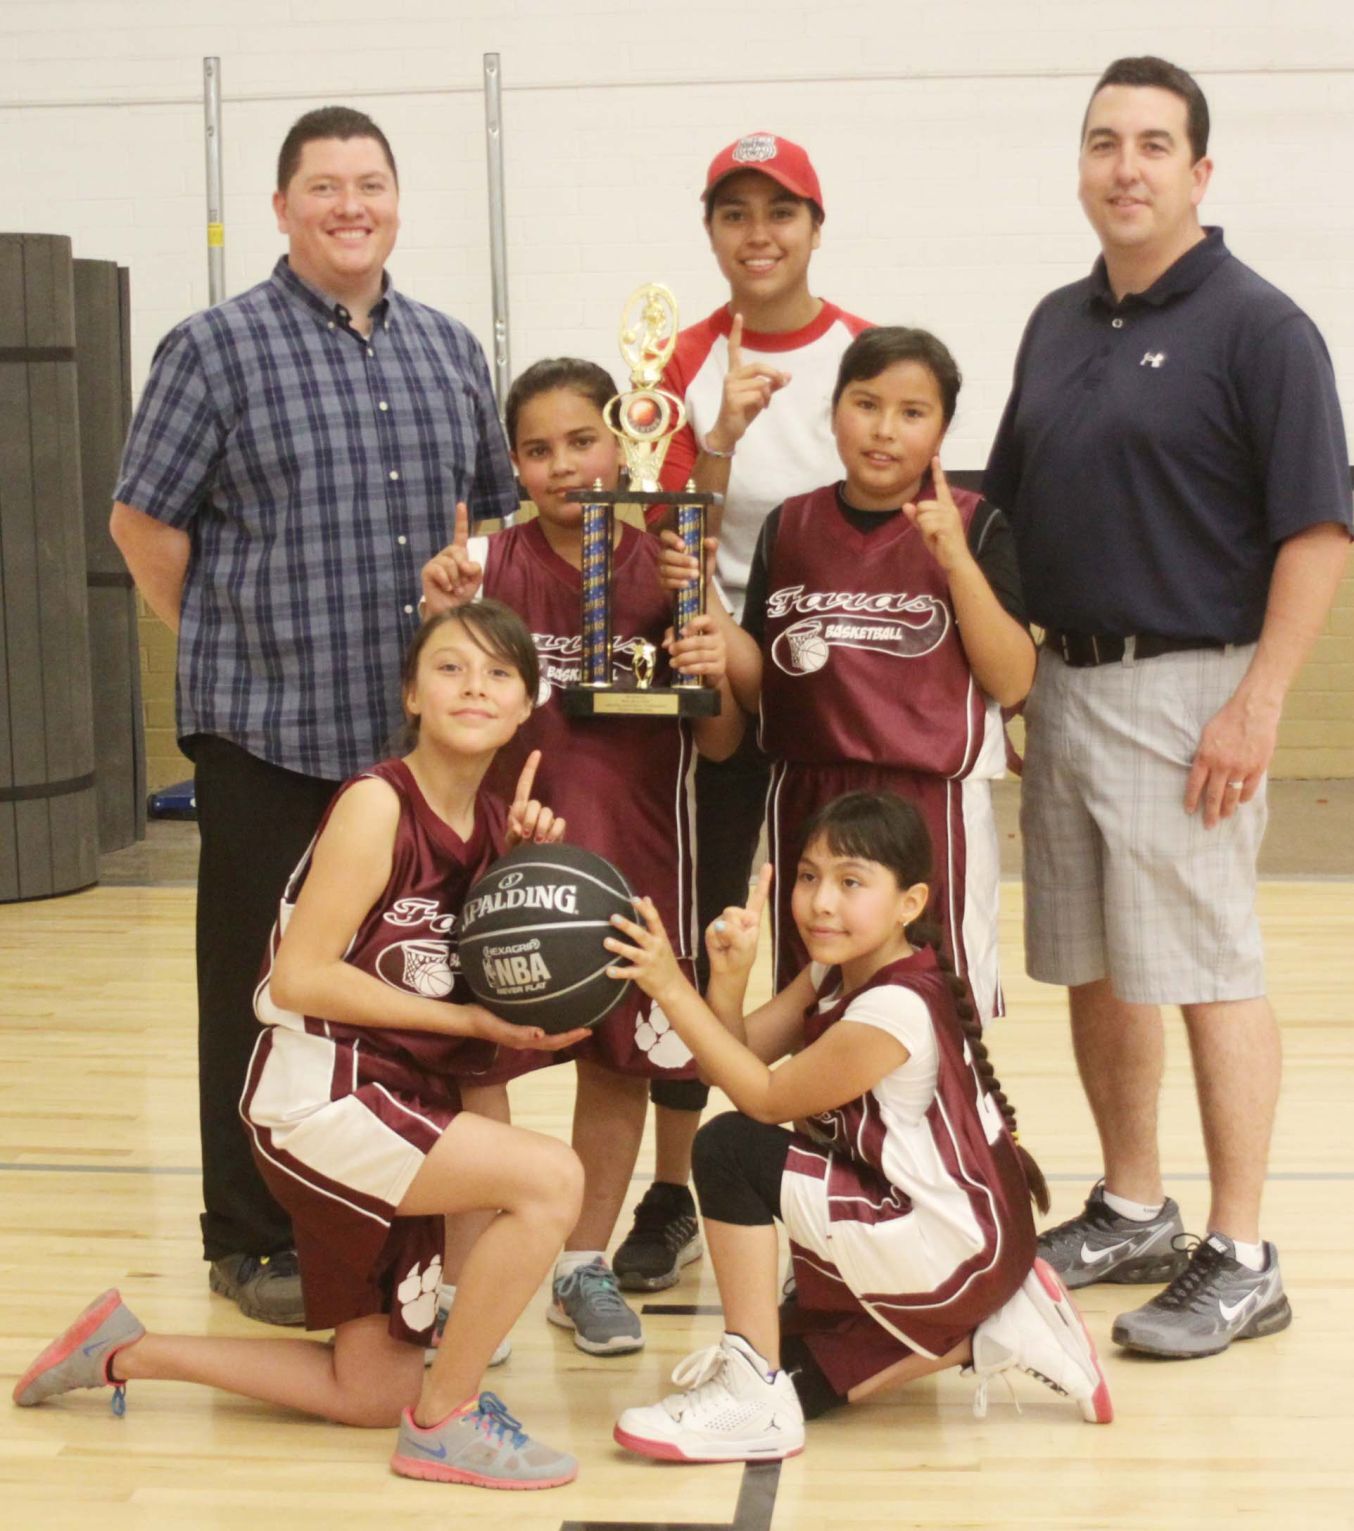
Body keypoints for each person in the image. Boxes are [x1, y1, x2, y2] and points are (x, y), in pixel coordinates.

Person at [14, 604, 591, 1491]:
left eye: (499, 674)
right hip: (323, 1102)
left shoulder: (487, 827)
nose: (474, 685)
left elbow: (463, 981)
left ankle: (125, 1351)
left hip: (397, 1102)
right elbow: (300, 980)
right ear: (410, 693)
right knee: (552, 1179)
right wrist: (474, 1025)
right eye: (450, 667)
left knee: (366, 1391)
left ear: (525, 708)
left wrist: (518, 883)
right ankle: (448, 1419)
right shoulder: (375, 803)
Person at [108, 106, 519, 1324]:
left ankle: (392, 1214)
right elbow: (141, 524)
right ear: (282, 208)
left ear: (398, 201)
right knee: (260, 983)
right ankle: (247, 1235)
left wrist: (465, 590)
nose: (351, 205)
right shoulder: (213, 347)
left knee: (403, 976)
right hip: (269, 734)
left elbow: (487, 519)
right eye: (324, 186)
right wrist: (233, 642)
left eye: (371, 184)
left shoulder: (449, 349)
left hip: (414, 753)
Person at [983, 56, 1352, 1358]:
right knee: (1094, 963)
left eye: (1151, 144)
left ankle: (1242, 1250)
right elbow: (1011, 514)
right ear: (1080, 165)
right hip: (1069, 691)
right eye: (1101, 142)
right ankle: (1134, 1201)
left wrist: (1257, 704)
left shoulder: (1260, 327)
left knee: (1207, 967)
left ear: (1198, 172)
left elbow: (1317, 530)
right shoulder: (1052, 320)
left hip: (1194, 689)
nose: (1123, 166)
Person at [600, 791, 1112, 1463]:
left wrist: (671, 986)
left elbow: (762, 1098)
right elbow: (742, 1055)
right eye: (809, 876)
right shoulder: (839, 969)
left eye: (851, 882)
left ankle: (751, 1390)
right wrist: (726, 984)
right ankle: (992, 1326)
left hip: (944, 1244)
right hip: (960, 1234)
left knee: (727, 1148)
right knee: (800, 1382)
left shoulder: (893, 1009)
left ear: (910, 902)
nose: (821, 901)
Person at [420, 358, 741, 1357]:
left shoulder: (669, 563)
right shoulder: (485, 567)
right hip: (500, 865)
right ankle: (471, 1277)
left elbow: (723, 743)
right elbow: (435, 708)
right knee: (479, 1061)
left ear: (626, 442)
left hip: (634, 857)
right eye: (538, 447)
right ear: (513, 461)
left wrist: (710, 651)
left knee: (618, 1069)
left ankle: (581, 1263)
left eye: (582, 440)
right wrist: (439, 609)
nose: (563, 465)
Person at [617, 133, 873, 1292]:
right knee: (704, 923)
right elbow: (655, 527)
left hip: (837, 685)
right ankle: (675, 1188)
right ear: (710, 231)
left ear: (816, 227)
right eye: (734, 213)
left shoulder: (864, 355)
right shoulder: (671, 362)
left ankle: (840, 1154)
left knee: (838, 922)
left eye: (781, 211)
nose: (758, 233)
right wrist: (712, 432)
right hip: (710, 683)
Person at [668, 327, 1033, 1020]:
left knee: (932, 1015)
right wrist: (702, 601)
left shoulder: (975, 522)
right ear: (834, 411)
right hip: (810, 798)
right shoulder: (790, 524)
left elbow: (1013, 681)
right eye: (866, 404)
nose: (885, 430)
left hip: (928, 806)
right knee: (813, 1012)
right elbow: (761, 682)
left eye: (912, 412)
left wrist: (955, 561)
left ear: (942, 429)